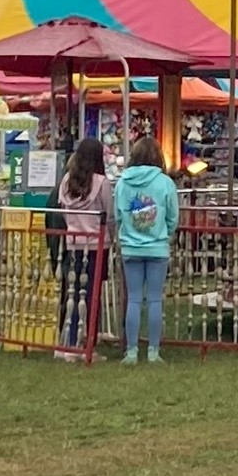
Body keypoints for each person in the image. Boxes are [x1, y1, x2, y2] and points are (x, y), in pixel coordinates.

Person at [114, 136, 178, 364]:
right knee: (154, 300)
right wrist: (164, 232)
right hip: (157, 246)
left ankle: (131, 351)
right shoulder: (165, 183)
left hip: (130, 246)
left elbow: (118, 215)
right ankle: (153, 351)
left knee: (133, 299)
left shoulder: (123, 182)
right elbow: (173, 216)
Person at [54, 138, 112, 361]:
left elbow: (62, 210)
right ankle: (87, 343)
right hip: (97, 245)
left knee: (73, 292)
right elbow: (110, 215)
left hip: (72, 243)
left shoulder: (67, 182)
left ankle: (69, 341)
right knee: (91, 296)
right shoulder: (101, 183)